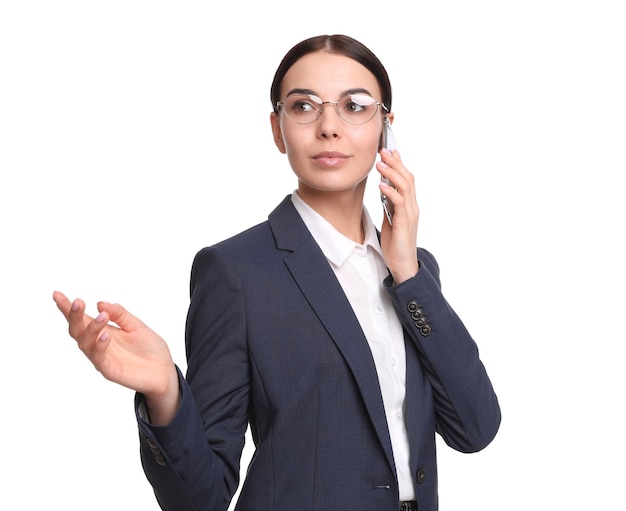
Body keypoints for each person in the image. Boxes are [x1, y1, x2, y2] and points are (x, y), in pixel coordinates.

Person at [53, 34, 501, 511]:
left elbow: (474, 429)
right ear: (277, 128)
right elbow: (201, 500)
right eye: (305, 106)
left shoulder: (415, 273)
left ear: (386, 128)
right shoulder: (236, 273)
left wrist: (408, 273)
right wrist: (165, 391)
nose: (329, 127)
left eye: (355, 105)